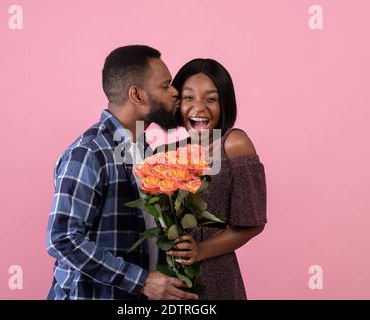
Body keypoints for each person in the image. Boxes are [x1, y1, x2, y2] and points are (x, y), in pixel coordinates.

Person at [46, 45, 198, 300]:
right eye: (165, 85)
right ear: (137, 95)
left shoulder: (147, 153)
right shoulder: (89, 152)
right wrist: (142, 281)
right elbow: (63, 239)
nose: (175, 93)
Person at [161, 58, 267, 299]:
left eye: (211, 99)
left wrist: (200, 251)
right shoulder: (170, 151)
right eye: (189, 98)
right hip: (170, 277)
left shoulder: (235, 143)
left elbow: (253, 222)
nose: (199, 107)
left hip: (216, 274)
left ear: (224, 104)